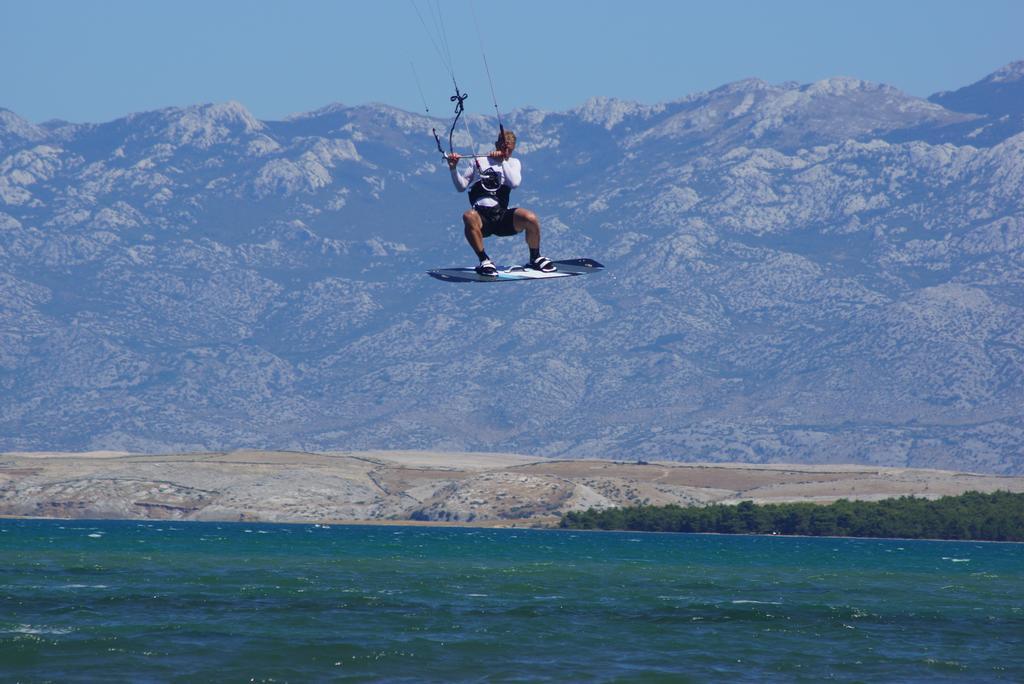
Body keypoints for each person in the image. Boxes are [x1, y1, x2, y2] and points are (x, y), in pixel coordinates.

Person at [447, 129, 555, 276]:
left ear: (513, 149)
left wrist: (502, 160)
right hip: (482, 219)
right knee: (468, 216)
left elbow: (515, 183)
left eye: (509, 150)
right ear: (497, 144)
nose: (506, 152)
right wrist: (453, 168)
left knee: (531, 218)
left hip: (502, 216)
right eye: (503, 148)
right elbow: (461, 187)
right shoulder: (479, 161)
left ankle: (535, 257)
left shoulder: (513, 163)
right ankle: (484, 260)